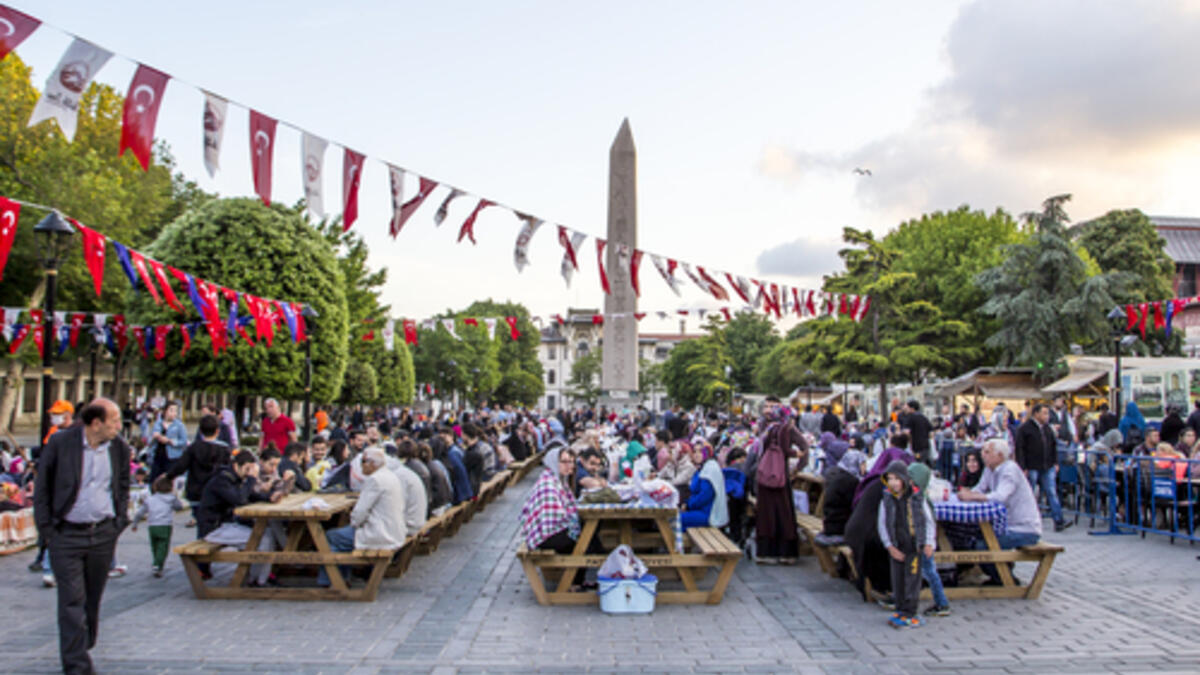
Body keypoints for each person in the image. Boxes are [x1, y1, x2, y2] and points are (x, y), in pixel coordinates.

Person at [33, 398, 131, 675]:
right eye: (114, 420)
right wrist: (47, 530)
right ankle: (76, 665)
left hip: (102, 533)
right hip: (67, 533)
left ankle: (81, 644)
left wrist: (119, 521)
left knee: (91, 600)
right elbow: (42, 488)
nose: (118, 426)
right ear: (96, 423)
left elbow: (123, 484)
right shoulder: (61, 444)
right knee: (71, 600)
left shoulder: (119, 448)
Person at [957, 438, 1044, 584]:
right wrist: (968, 494)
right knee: (970, 537)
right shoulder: (990, 469)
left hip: (1024, 528)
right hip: (1006, 525)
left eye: (987, 452)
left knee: (981, 545)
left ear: (1000, 456)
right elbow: (979, 489)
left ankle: (1004, 579)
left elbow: (1000, 497)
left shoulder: (1010, 470)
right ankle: (999, 572)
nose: (983, 455)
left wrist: (973, 496)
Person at [318, 447, 407, 587]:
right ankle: (342, 578)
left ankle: (332, 581)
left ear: (372, 464)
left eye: (362, 461)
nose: (360, 465)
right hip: (394, 530)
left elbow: (359, 513)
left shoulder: (375, 480)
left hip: (379, 533)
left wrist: (354, 524)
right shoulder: (390, 476)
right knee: (341, 533)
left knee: (331, 536)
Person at [196, 451, 283, 586]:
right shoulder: (222, 480)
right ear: (237, 465)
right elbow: (240, 499)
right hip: (214, 529)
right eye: (247, 469)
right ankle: (256, 581)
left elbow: (250, 496)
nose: (249, 473)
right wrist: (252, 479)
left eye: (251, 469)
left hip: (227, 525)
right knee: (263, 540)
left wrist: (269, 497)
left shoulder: (234, 478)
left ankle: (260, 578)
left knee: (268, 533)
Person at [876, 460, 934, 628]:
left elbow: (928, 521)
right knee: (898, 579)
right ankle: (900, 608)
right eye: (890, 478)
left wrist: (929, 542)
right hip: (896, 545)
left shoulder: (917, 498)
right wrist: (889, 546)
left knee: (912, 579)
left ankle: (911, 611)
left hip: (914, 546)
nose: (893, 483)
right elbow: (882, 524)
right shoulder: (886, 500)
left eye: (897, 478)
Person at [753, 405, 808, 565]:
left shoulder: (766, 428)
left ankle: (765, 552)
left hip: (765, 476)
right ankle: (785, 552)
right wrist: (798, 464)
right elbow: (799, 447)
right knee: (783, 513)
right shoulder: (786, 429)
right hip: (780, 477)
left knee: (766, 515)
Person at [1015, 403, 1070, 532]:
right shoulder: (1025, 429)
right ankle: (1027, 520)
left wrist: (1055, 462)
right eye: (1044, 413)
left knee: (1052, 492)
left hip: (1047, 465)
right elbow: (1020, 449)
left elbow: (1052, 446)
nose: (1047, 416)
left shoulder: (1047, 429)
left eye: (1048, 413)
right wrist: (1023, 466)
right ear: (1036, 414)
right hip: (1032, 465)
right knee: (1030, 494)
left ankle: (1059, 520)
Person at [165, 414, 231, 521]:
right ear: (217, 431)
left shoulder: (193, 448)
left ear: (200, 431)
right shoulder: (224, 449)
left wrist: (169, 476)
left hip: (196, 491)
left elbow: (181, 466)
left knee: (200, 521)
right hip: (217, 492)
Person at [905, 462, 950, 618]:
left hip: (924, 543)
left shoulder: (921, 500)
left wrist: (929, 543)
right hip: (916, 542)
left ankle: (941, 602)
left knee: (929, 572)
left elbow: (930, 523)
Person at [130, 475, 184, 577]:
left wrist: (135, 523)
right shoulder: (172, 498)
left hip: (152, 525)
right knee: (163, 546)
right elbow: (179, 507)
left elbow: (140, 513)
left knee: (154, 545)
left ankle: (157, 563)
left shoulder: (150, 499)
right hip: (165, 525)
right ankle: (157, 564)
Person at [680, 441, 728, 531]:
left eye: (700, 451)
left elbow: (704, 496)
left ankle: (677, 544)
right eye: (695, 451)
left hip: (708, 514)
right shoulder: (703, 467)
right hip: (700, 510)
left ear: (707, 453)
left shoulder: (710, 469)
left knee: (675, 519)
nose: (697, 455)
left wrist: (688, 505)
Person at [822, 450, 866, 537]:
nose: (865, 467)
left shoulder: (838, 476)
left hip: (830, 523)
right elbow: (856, 505)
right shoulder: (851, 481)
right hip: (840, 527)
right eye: (863, 463)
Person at [148, 401, 187, 482]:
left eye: (175, 411)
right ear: (165, 411)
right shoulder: (158, 423)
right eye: (171, 410)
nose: (174, 413)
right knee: (154, 479)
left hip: (172, 457)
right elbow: (153, 436)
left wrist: (170, 441)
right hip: (158, 456)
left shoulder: (179, 425)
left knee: (170, 480)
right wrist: (156, 436)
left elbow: (183, 441)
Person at [901, 400, 932, 465]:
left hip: (916, 448)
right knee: (923, 464)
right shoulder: (924, 417)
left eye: (907, 408)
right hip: (925, 447)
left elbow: (907, 432)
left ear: (912, 409)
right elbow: (930, 431)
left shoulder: (910, 417)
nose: (905, 410)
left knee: (916, 463)